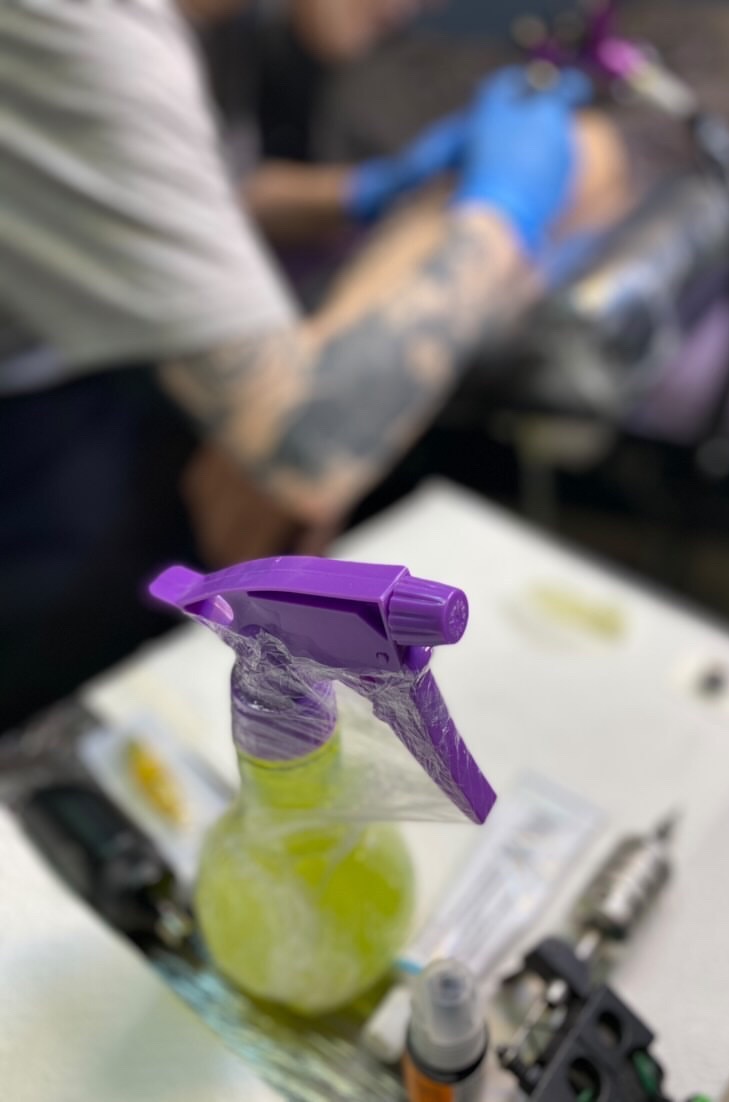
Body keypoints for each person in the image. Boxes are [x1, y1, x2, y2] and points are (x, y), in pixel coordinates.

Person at [0, 0, 591, 729]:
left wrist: (365, 190)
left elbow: (196, 194)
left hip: (74, 365)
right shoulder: (74, 23)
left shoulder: (218, 25)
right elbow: (304, 448)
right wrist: (501, 214)